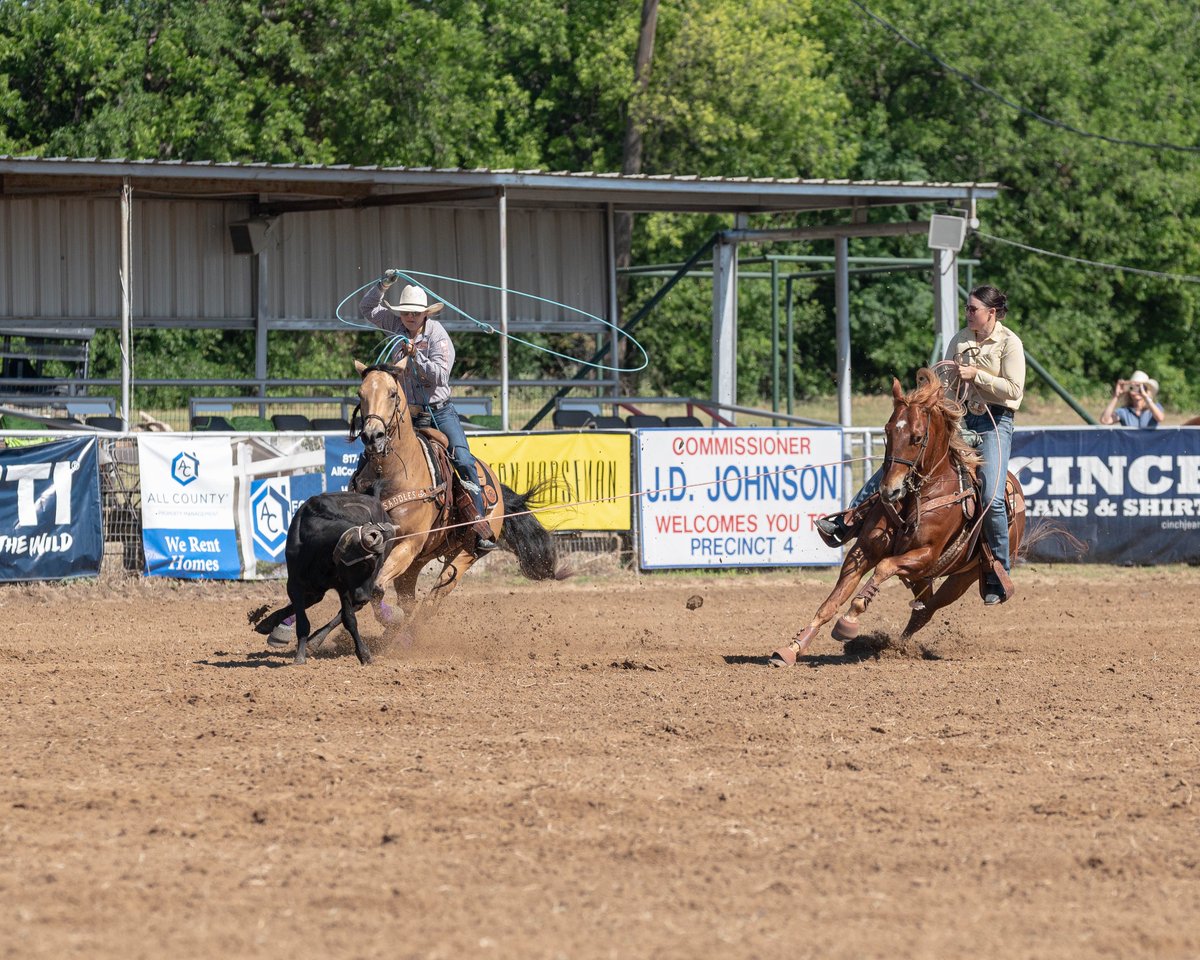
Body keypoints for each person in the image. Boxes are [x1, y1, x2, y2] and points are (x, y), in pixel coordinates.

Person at [815, 284, 1025, 606]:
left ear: (991, 313)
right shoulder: (960, 340)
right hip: (961, 419)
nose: (968, 314)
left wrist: (976, 375)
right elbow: (945, 384)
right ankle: (850, 518)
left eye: (973, 309)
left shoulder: (1010, 344)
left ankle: (996, 569)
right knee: (902, 458)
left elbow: (1014, 390)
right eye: (967, 309)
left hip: (995, 423)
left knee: (993, 497)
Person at [358, 271, 496, 553]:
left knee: (463, 459)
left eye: (415, 313)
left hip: (438, 411)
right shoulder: (394, 324)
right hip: (405, 412)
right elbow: (367, 309)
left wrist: (415, 354)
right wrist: (382, 286)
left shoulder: (438, 337)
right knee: (370, 455)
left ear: (425, 314)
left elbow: (439, 376)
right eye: (406, 312)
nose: (409, 317)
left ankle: (478, 522)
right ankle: (356, 504)